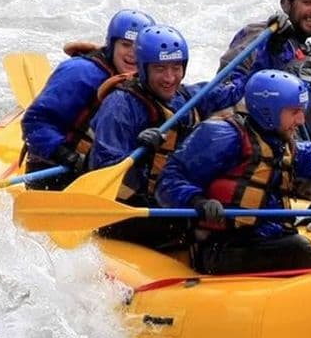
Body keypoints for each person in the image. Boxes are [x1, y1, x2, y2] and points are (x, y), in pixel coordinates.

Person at [155, 69, 311, 274]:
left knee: (296, 244)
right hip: (221, 246)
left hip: (266, 238)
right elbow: (170, 179)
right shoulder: (221, 136)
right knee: (302, 250)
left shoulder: (292, 146)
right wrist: (196, 200)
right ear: (269, 112)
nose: (301, 121)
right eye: (295, 112)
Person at [88, 24, 242, 249]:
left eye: (176, 68)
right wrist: (139, 155)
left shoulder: (186, 97)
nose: (170, 78)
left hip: (172, 194)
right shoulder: (120, 106)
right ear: (143, 68)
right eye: (160, 68)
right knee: (185, 228)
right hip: (127, 209)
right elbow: (104, 172)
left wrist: (272, 45)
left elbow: (239, 87)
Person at [21, 9, 155, 190]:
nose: (132, 53)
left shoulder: (148, 79)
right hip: (55, 169)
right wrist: (65, 155)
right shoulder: (81, 72)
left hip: (99, 169)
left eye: (137, 48)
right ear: (112, 44)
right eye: (125, 45)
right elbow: (34, 122)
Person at [218, 0, 311, 151]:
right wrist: (272, 53)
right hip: (252, 145)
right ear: (286, 3)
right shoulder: (259, 34)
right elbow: (225, 93)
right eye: (307, 2)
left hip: (296, 157)